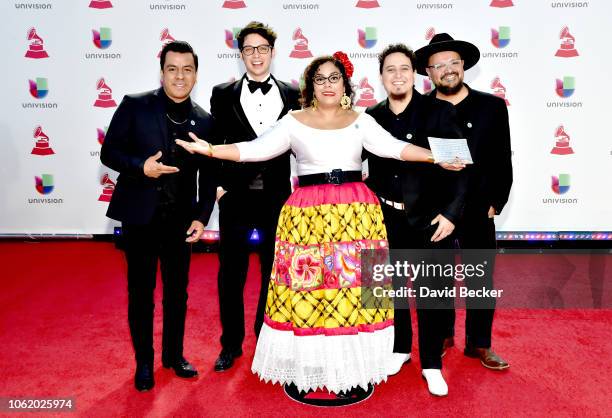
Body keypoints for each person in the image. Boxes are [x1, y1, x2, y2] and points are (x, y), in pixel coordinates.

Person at [177, 52, 464, 397]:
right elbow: (255, 150)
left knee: (356, 292)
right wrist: (211, 150)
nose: (328, 84)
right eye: (320, 78)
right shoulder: (293, 120)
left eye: (334, 78)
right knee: (310, 289)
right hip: (307, 216)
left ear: (345, 84)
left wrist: (438, 156)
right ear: (310, 85)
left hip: (356, 215)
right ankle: (312, 366)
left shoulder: (362, 119)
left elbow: (396, 149)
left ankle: (354, 367)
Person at [100, 41, 216, 391]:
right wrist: (141, 167)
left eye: (187, 69)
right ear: (162, 71)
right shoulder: (136, 106)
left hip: (180, 221)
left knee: (177, 293)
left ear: (196, 74)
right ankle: (145, 363)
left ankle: (173, 355)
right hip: (140, 217)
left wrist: (202, 215)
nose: (180, 76)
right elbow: (109, 152)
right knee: (141, 292)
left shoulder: (205, 120)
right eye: (172, 68)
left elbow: (208, 175)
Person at [365, 43, 466, 396]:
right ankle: (400, 349)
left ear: (414, 73)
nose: (397, 75)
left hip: (429, 220)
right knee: (386, 292)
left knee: (433, 294)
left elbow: (461, 168)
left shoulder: (438, 111)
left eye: (403, 68)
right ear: (381, 77)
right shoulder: (370, 116)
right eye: (390, 69)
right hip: (382, 219)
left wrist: (452, 214)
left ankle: (432, 365)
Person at [415, 33, 513, 371]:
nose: (447, 70)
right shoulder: (422, 108)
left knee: (480, 278)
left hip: (478, 206)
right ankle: (442, 336)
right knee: (437, 277)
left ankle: (479, 344)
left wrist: (497, 201)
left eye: (452, 63)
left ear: (463, 66)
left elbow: (503, 157)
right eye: (438, 65)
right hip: (438, 210)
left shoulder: (492, 106)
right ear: (429, 72)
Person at [209, 21, 301, 372]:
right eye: (249, 49)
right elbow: (214, 143)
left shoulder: (293, 93)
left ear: (273, 52)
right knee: (230, 273)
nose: (256, 55)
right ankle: (230, 344)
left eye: (262, 48)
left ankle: (265, 337)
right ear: (241, 54)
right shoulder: (222, 93)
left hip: (277, 196)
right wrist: (217, 188)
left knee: (273, 272)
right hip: (235, 196)